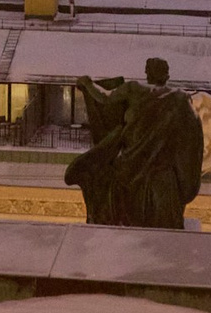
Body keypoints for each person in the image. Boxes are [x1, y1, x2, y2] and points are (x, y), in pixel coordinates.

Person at [65, 57, 202, 229]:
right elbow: (191, 135)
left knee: (105, 182)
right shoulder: (179, 98)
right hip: (160, 170)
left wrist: (88, 84)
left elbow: (104, 98)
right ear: (167, 75)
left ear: (147, 73)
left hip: (130, 166)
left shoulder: (134, 89)